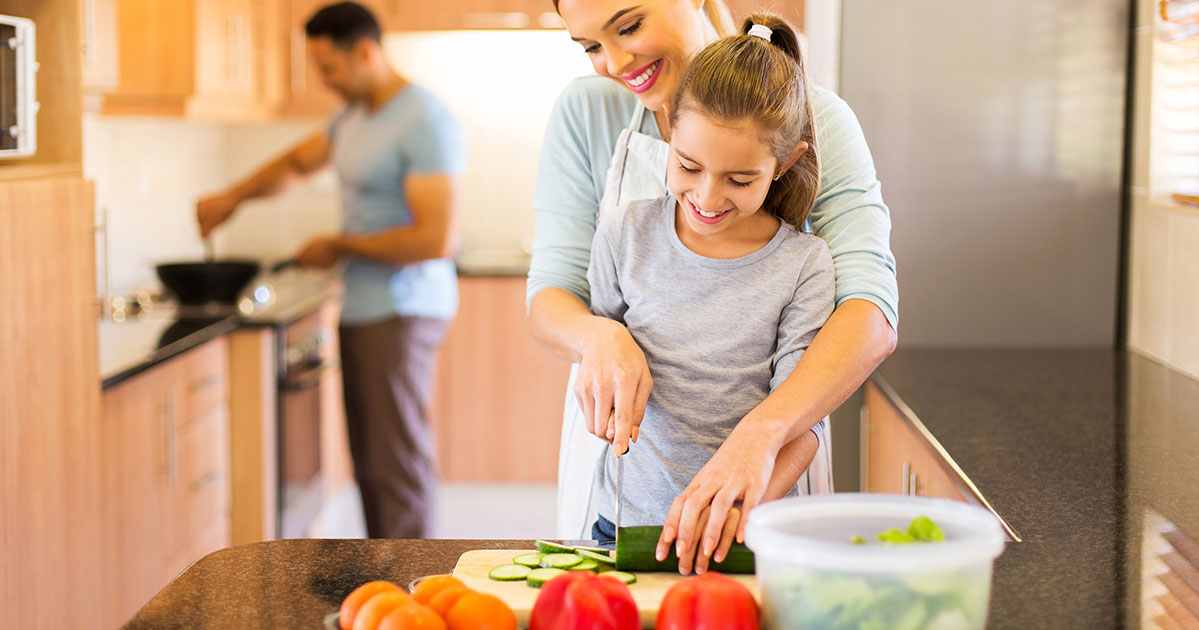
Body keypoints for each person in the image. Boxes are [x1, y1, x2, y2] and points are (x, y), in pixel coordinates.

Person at [527, 0, 899, 572]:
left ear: (782, 164)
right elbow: (553, 292)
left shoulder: (816, 133)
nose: (615, 62)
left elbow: (869, 312)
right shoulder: (590, 124)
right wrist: (598, 336)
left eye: (629, 26)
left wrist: (762, 438)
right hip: (626, 499)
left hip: (762, 492)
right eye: (591, 46)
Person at [195, 1, 466, 539]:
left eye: (328, 68)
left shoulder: (423, 119)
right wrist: (233, 197)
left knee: (395, 466)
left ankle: (414, 583)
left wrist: (338, 245)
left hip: (403, 309)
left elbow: (435, 240)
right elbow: (297, 164)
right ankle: (383, 578)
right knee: (371, 463)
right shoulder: (352, 117)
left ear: (364, 53)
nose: (323, 81)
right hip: (365, 307)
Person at [586, 14, 835, 575]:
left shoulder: (803, 266)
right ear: (670, 133)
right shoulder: (625, 234)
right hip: (623, 525)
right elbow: (600, 348)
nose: (706, 196)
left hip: (745, 534)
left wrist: (736, 510)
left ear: (784, 163)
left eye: (739, 180)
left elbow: (804, 423)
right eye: (688, 166)